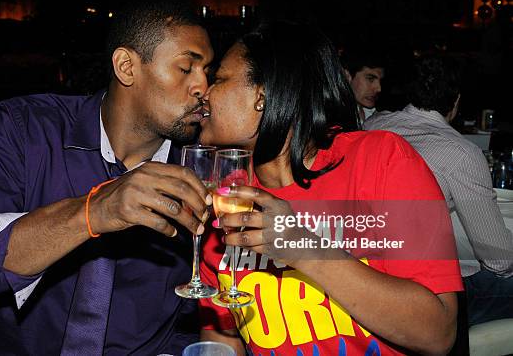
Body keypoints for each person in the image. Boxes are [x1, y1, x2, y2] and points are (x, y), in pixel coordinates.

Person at [0, 0, 214, 354]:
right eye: (186, 68)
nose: (202, 87)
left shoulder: (200, 169)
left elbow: (195, 316)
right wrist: (91, 212)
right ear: (126, 67)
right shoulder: (26, 130)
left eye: (208, 71)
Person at [197, 21, 462, 355]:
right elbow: (223, 338)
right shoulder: (227, 198)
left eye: (219, 78)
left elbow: (437, 333)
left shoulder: (378, 159)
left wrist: (303, 248)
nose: (203, 91)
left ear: (264, 95)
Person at [365, 54, 513, 326]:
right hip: (426, 295)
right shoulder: (460, 153)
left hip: (372, 275)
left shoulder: (372, 126)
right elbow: (498, 260)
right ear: (456, 101)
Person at [340, 45, 386, 125]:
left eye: (380, 81)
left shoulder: (380, 116)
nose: (379, 88)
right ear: (347, 76)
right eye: (370, 79)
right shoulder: (334, 121)